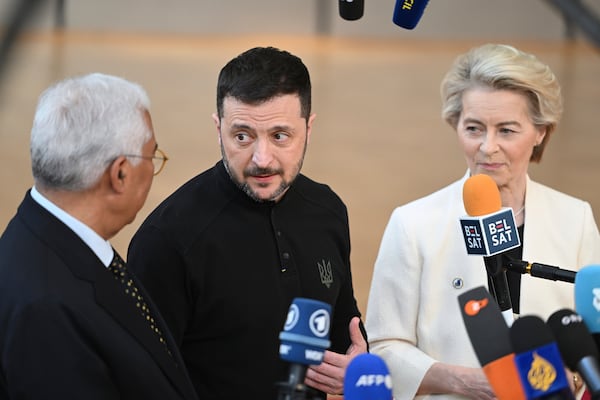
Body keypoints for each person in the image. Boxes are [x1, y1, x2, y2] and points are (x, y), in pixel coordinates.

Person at [127, 46, 368, 399]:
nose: (262, 158)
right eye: (242, 136)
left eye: (280, 136)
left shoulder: (328, 210)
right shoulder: (167, 240)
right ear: (218, 127)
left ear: (309, 127)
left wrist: (358, 361)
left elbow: (344, 324)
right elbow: (143, 382)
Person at [365, 43, 600, 400]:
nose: (488, 147)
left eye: (506, 130)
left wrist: (578, 375)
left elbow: (592, 331)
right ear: (455, 124)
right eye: (474, 128)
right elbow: (383, 347)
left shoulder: (575, 218)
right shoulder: (413, 223)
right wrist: (467, 382)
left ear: (540, 132)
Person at [0, 73, 198, 400]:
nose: (153, 166)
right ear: (120, 173)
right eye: (152, 155)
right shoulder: (46, 309)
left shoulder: (52, 242)